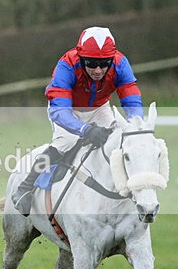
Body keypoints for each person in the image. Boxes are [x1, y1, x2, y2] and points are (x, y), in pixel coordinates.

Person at [12, 26, 144, 216]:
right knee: (66, 142)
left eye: (104, 63)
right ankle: (24, 188)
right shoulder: (66, 65)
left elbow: (131, 98)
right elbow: (60, 111)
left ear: (112, 59)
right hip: (67, 110)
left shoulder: (120, 63)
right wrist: (85, 130)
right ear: (81, 58)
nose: (98, 70)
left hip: (100, 108)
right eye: (91, 63)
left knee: (117, 141)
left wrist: (136, 123)